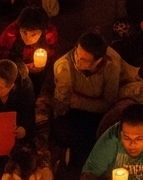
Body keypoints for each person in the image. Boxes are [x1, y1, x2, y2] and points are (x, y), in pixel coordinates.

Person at [53, 31, 124, 169]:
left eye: (84, 60)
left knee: (103, 134)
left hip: (97, 115)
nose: (77, 61)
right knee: (65, 131)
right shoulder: (64, 66)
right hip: (72, 113)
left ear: (98, 61)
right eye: (77, 54)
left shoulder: (111, 66)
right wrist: (76, 102)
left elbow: (109, 102)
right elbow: (64, 102)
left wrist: (78, 101)